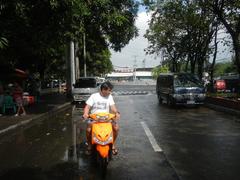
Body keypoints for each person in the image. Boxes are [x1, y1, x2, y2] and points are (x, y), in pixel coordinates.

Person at [83, 81, 120, 155]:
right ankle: (90, 145)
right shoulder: (94, 96)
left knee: (116, 128)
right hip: (94, 117)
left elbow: (113, 107)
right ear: (103, 89)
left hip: (106, 117)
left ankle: (112, 144)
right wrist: (85, 113)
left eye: (110, 90)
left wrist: (116, 112)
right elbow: (87, 107)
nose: (109, 92)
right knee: (88, 129)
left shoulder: (109, 96)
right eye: (108, 90)